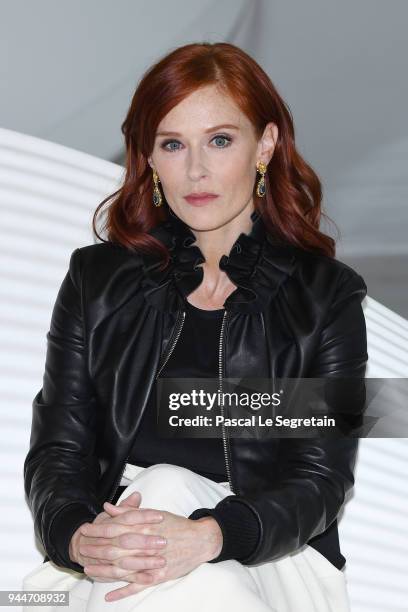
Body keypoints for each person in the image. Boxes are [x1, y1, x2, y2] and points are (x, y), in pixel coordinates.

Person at [22, 42, 368, 611]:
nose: (196, 170)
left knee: (166, 490)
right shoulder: (97, 280)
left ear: (267, 144)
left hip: (270, 555)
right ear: (150, 158)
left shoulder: (325, 296)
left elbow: (319, 479)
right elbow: (60, 448)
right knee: (156, 493)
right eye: (173, 144)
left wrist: (208, 535)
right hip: (111, 551)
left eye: (220, 140)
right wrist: (77, 536)